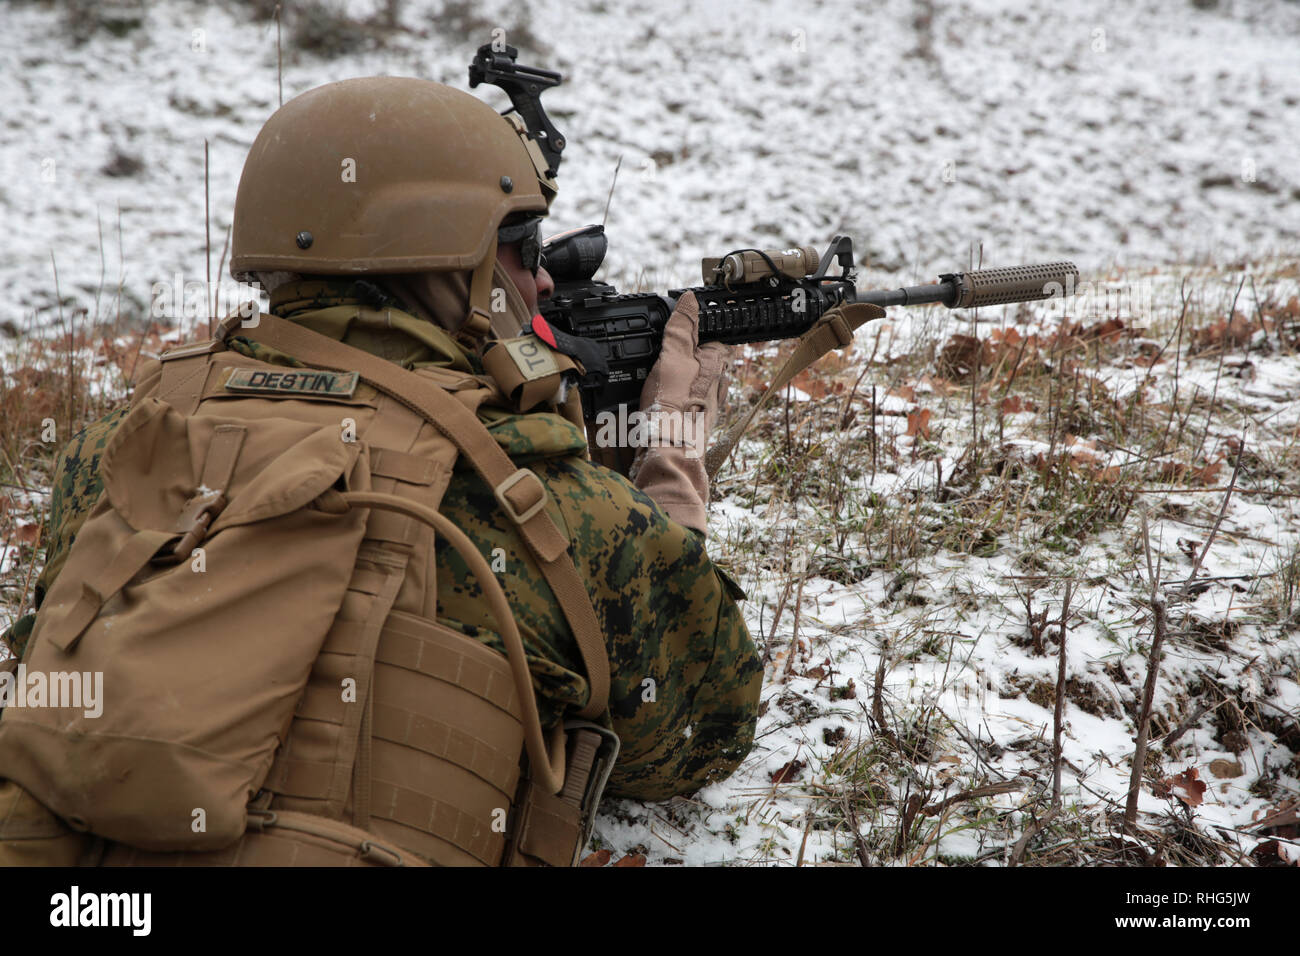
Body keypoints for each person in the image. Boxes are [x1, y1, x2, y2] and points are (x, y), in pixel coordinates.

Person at [0, 76, 761, 865]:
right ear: (444, 255)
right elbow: (696, 733)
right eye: (522, 247)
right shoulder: (539, 499)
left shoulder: (123, 443)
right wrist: (669, 467)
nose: (539, 281)